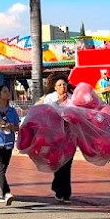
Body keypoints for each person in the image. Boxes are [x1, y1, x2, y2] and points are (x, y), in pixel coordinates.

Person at [41, 72, 74, 203]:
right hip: (54, 136)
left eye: (64, 84)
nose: (62, 87)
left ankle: (66, 193)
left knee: (67, 164)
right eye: (59, 85)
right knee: (59, 164)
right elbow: (46, 112)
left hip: (70, 136)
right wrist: (59, 102)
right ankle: (58, 188)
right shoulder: (50, 98)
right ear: (55, 87)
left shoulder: (72, 98)